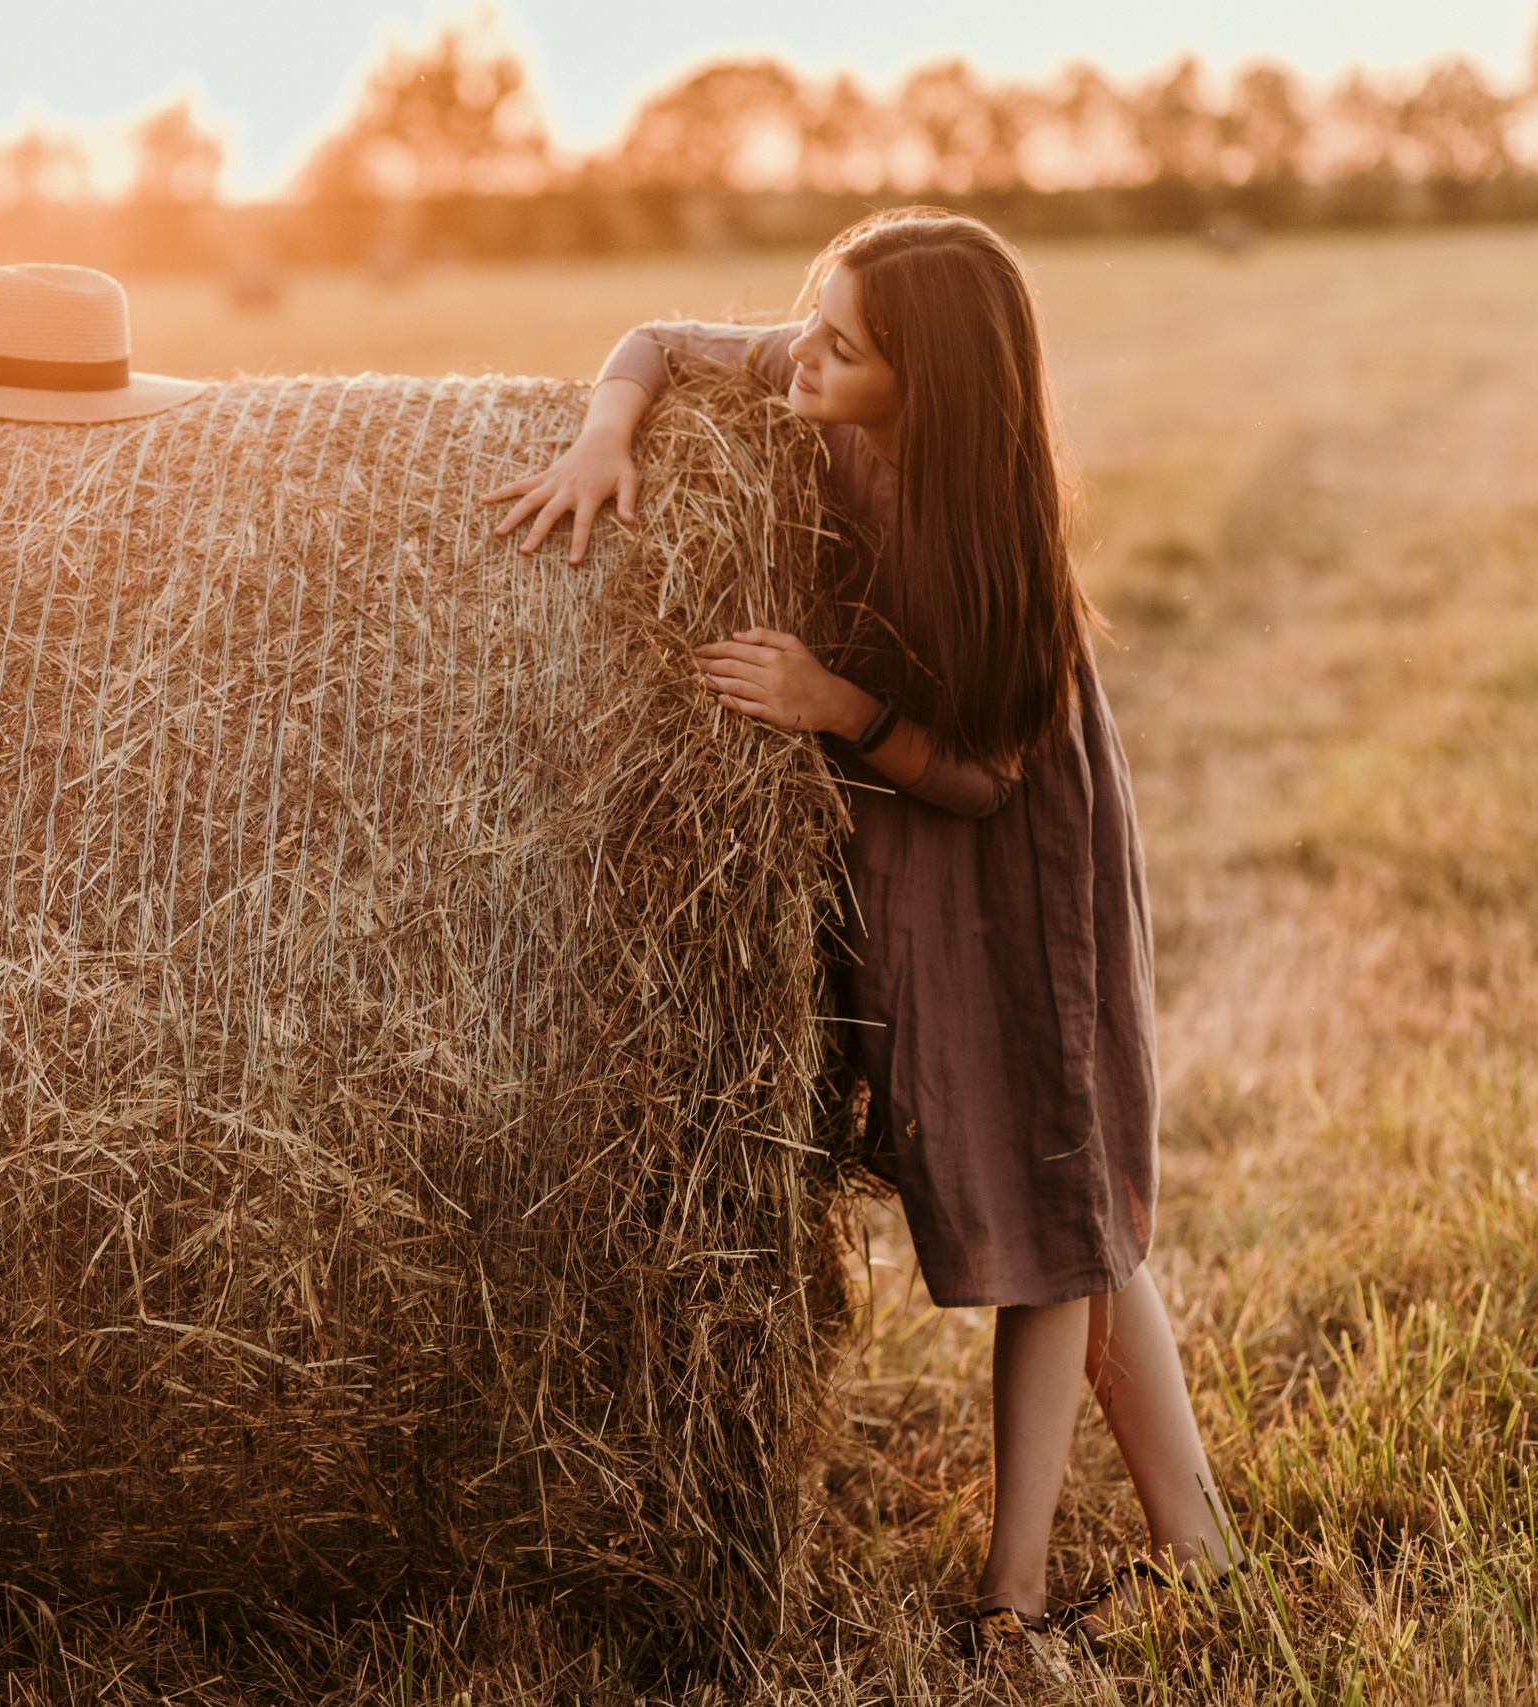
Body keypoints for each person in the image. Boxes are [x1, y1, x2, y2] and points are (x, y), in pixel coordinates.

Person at [481, 207, 1240, 1659]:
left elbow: (986, 777)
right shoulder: (814, 367)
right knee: (1065, 1189)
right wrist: (603, 437)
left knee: (1050, 1216)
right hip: (911, 843)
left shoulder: (992, 534)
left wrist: (835, 707)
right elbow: (657, 338)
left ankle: (1010, 1600)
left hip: (1016, 861)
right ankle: (1195, 1538)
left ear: (925, 386)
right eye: (811, 321)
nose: (801, 359)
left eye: (840, 348)